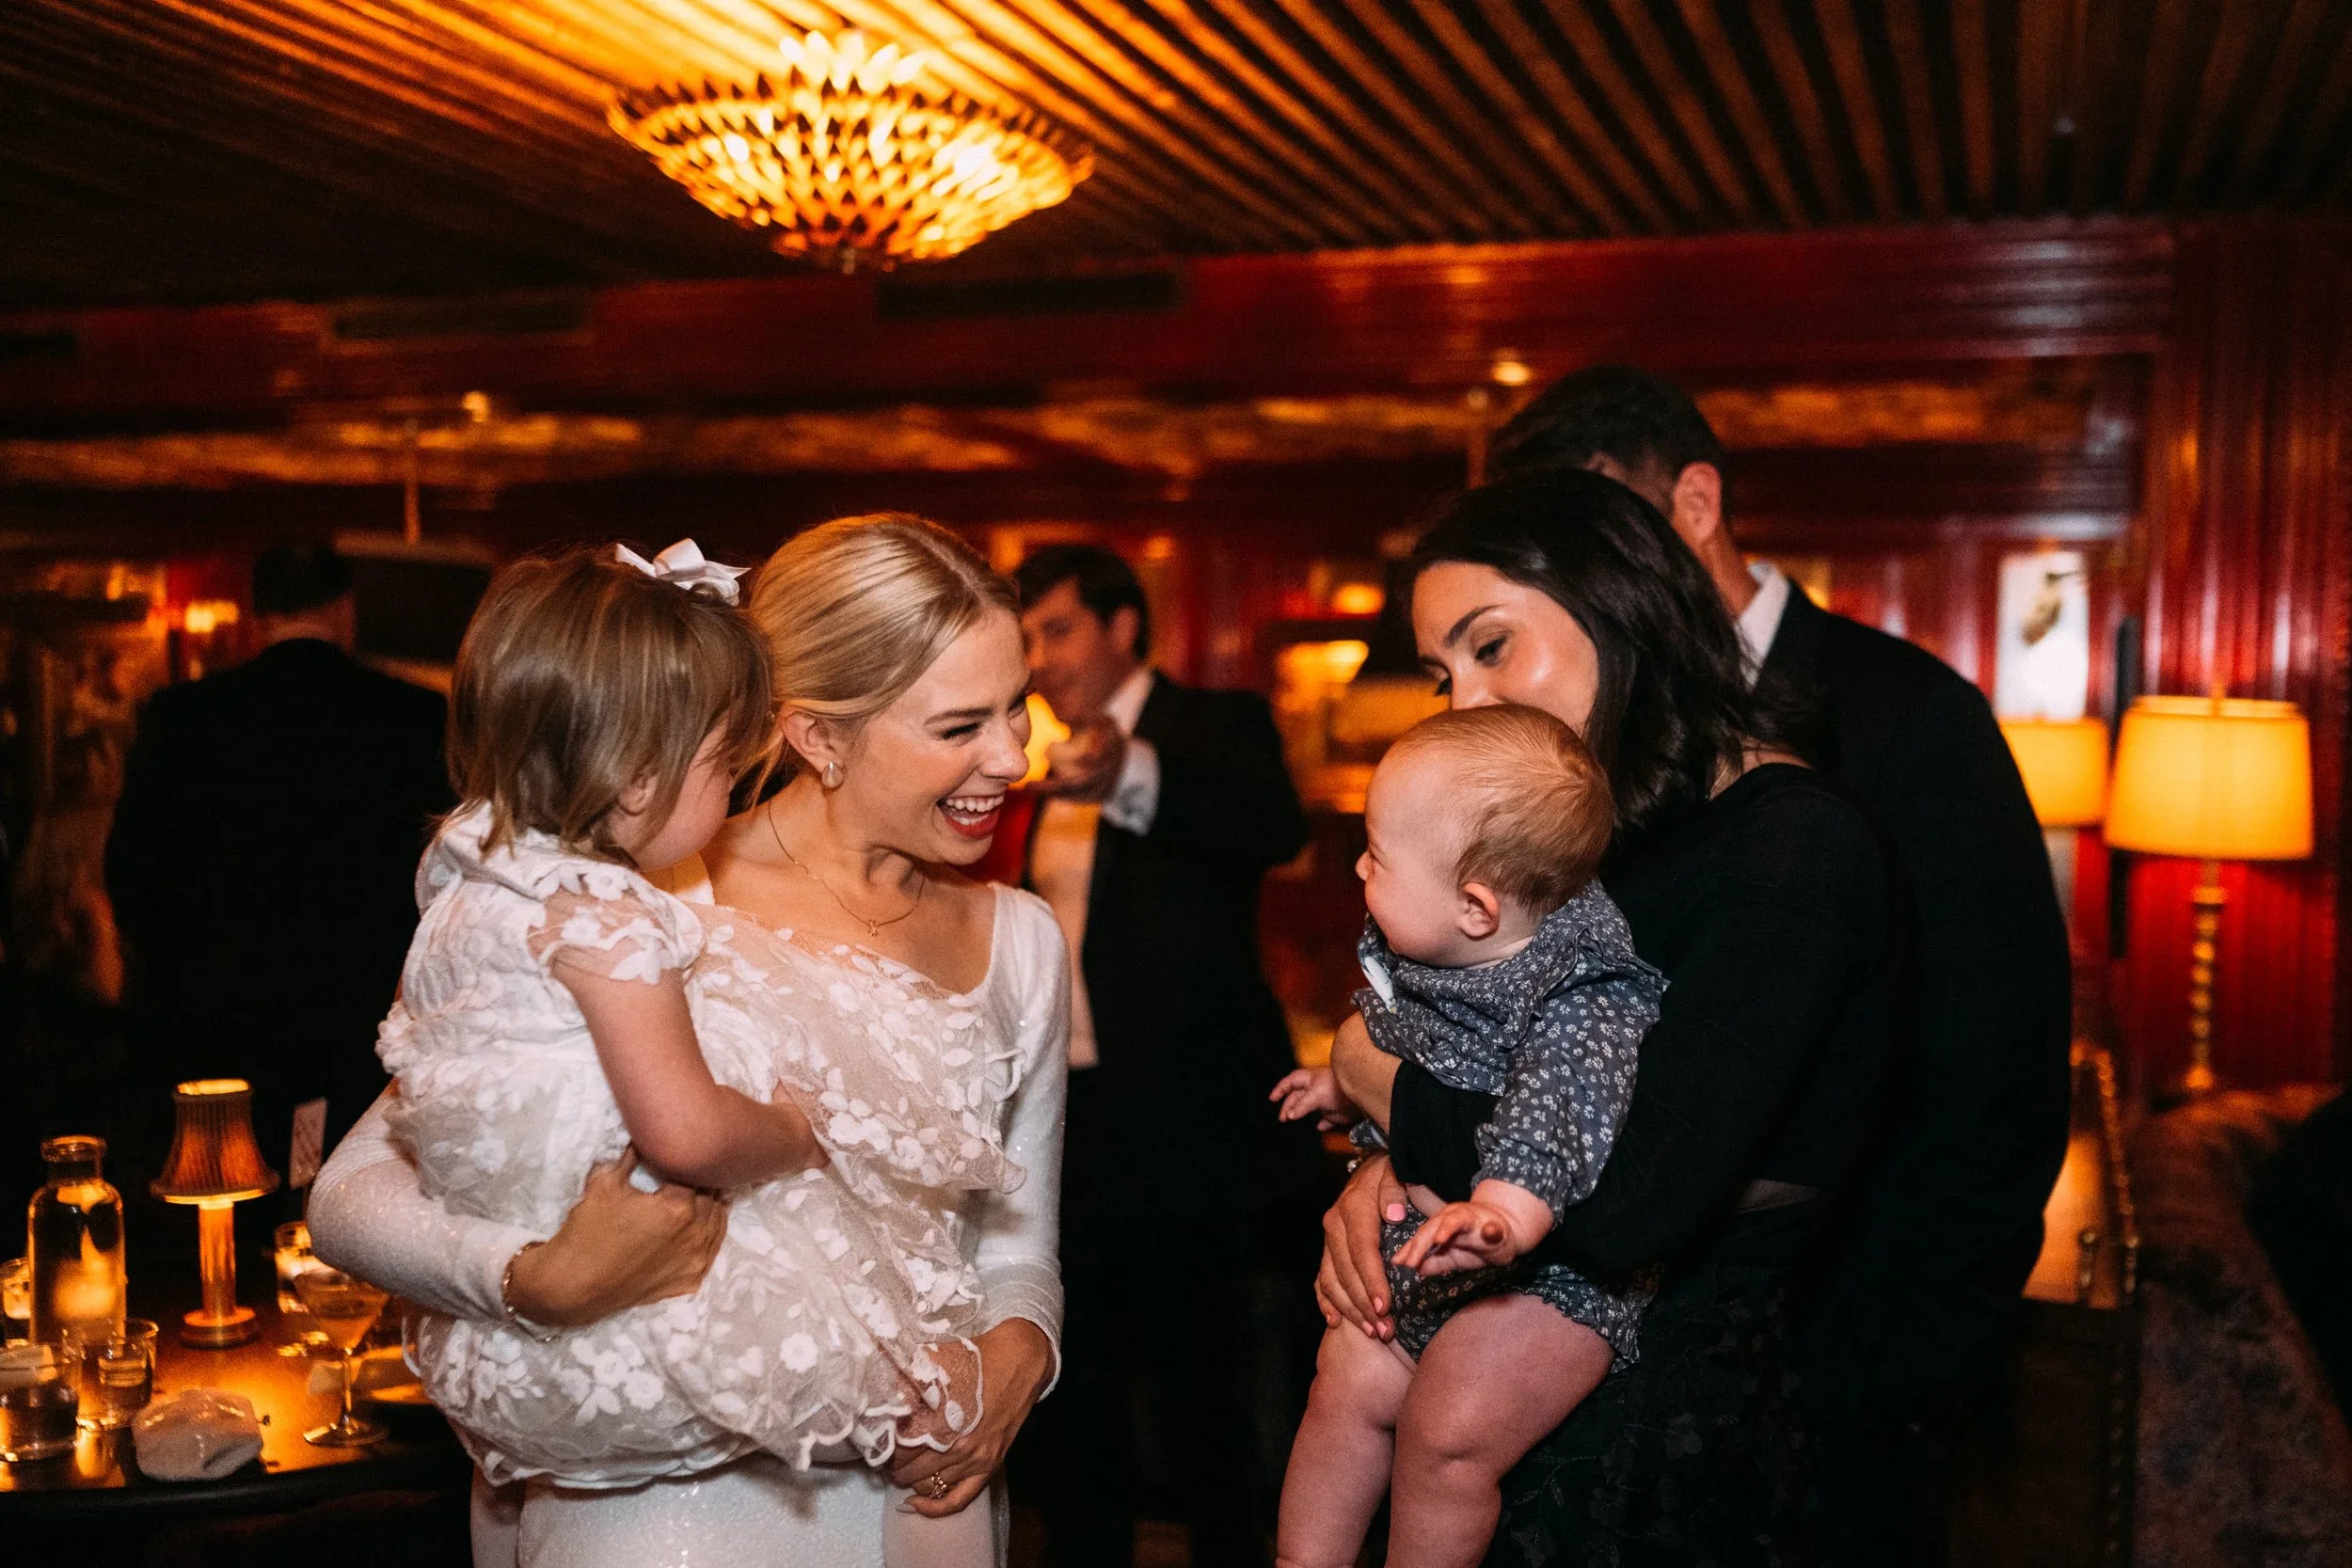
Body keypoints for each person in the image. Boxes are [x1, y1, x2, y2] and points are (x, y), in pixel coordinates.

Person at [309, 515, 1068, 1568]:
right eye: (960, 725)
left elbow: (1017, 1248)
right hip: (665, 1509)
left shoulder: (1025, 941)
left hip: (928, 1501)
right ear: (819, 736)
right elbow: (348, 1196)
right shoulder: (629, 891)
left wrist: (1020, 1355)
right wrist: (534, 1278)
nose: (1014, 756)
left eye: (1016, 704)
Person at [1485, 367, 2073, 1560]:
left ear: (1695, 502)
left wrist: (1909, 1365)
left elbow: (1997, 1065)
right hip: (1599, 1352)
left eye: (1600, 526)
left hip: (1842, 1363)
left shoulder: (1908, 714)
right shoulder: (1564, 737)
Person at [1319, 470, 1911, 1565]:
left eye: (1492, 645)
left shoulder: (1792, 848)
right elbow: (1496, 1065)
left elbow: (1632, 1196)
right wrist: (1381, 1168)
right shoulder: (1594, 846)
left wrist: (1378, 1082)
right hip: (1489, 1388)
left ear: (1619, 613)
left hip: (1660, 1442)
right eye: (1443, 673)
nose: (1463, 702)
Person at [1268, 705, 1662, 1568]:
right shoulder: (1433, 938)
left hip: (1550, 1275)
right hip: (1426, 1249)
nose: (1360, 864)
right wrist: (1344, 1083)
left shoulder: (1580, 993)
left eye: (1377, 854)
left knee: (1445, 1433)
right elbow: (1406, 1041)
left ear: (1476, 905)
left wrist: (1504, 1212)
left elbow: (1554, 1110)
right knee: (1345, 1381)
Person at [1009, 543, 1318, 1568]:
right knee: (1078, 1375)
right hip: (1069, 1114)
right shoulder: (1035, 756)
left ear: (1123, 625)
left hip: (1188, 1119)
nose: (1039, 658)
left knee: (1204, 1384)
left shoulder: (1212, 724)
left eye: (1057, 629)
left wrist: (1128, 772)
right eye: (1027, 637)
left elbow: (1270, 827)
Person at [108, 542, 451, 1199]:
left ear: (256, 614)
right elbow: (445, 873)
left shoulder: (183, 718)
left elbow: (133, 872)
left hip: (222, 1014)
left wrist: (176, 974)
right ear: (344, 609)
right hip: (365, 1010)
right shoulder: (414, 716)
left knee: (227, 1199)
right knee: (353, 1194)